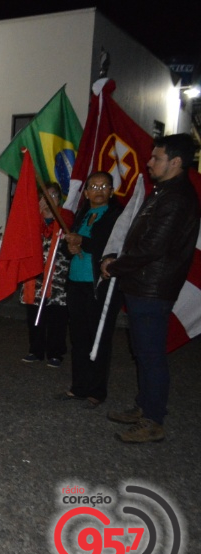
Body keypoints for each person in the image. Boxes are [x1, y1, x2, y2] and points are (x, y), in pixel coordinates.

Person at [101, 134, 201, 443]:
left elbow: (152, 247)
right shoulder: (165, 192)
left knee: (151, 354)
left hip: (152, 287)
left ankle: (153, 420)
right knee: (143, 352)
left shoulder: (176, 198)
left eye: (156, 158)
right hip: (144, 284)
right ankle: (144, 407)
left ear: (176, 162)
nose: (148, 162)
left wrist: (115, 266)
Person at [60, 171, 124, 408]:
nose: (98, 191)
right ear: (85, 193)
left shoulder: (116, 216)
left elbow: (109, 245)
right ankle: (79, 386)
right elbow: (70, 247)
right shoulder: (83, 214)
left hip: (100, 285)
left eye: (104, 186)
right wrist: (71, 248)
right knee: (78, 337)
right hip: (77, 282)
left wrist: (81, 242)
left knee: (99, 337)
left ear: (111, 191)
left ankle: (97, 391)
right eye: (93, 187)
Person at [20, 182, 72, 367]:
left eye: (53, 195)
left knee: (57, 318)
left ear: (59, 200)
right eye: (44, 196)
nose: (48, 200)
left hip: (57, 279)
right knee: (35, 316)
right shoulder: (32, 220)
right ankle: (35, 350)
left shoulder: (67, 219)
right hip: (35, 279)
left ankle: (55, 353)